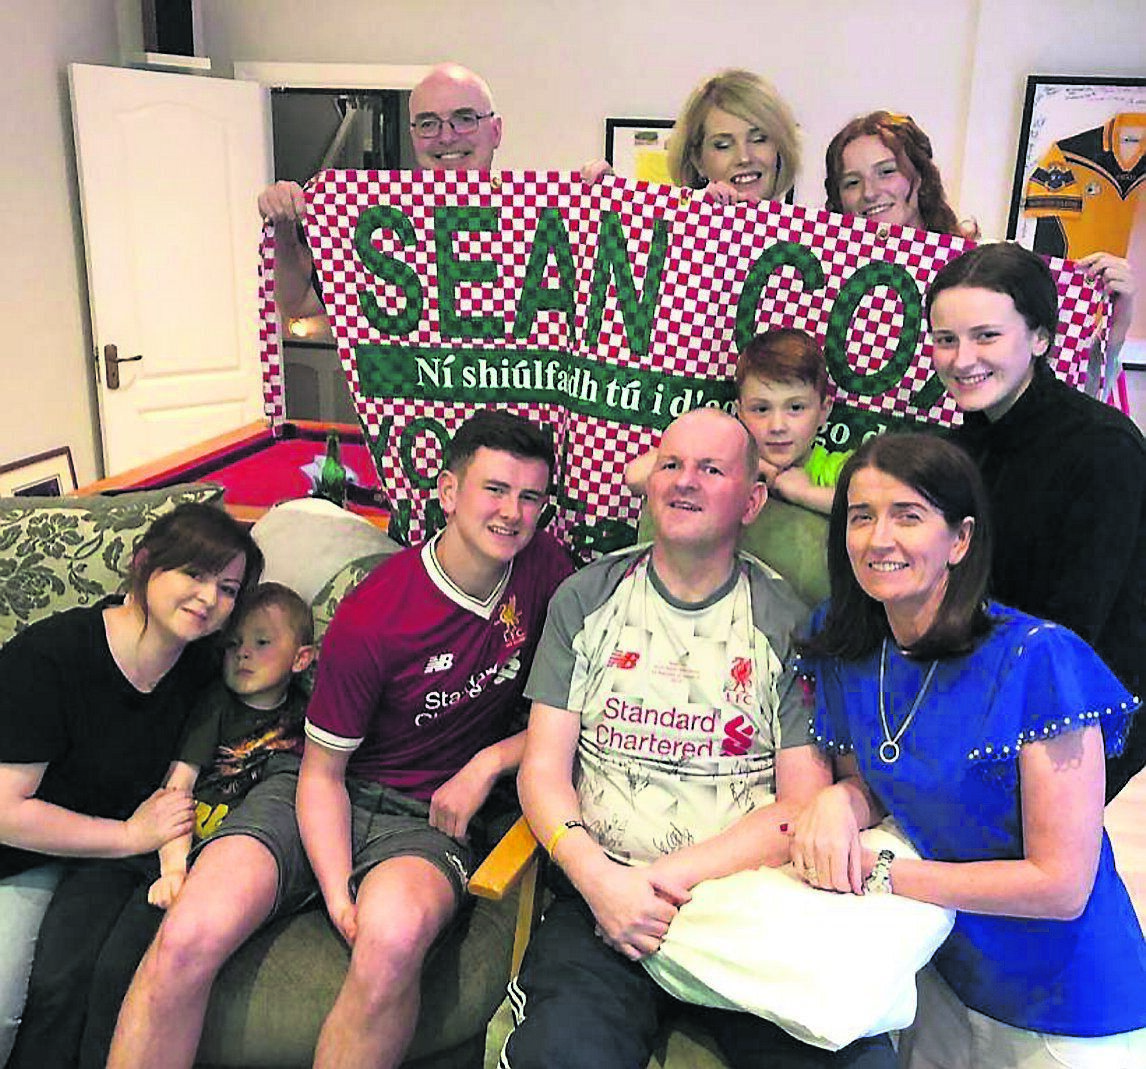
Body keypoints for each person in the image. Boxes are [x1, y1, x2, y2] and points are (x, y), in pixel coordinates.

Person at [107, 409, 572, 1069]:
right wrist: (335, 891)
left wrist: (489, 760)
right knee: (187, 933)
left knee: (393, 935)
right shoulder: (376, 612)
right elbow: (323, 776)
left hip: (425, 816)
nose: (512, 513)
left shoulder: (544, 568)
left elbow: (585, 697)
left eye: (530, 497)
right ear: (447, 492)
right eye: (494, 489)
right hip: (316, 787)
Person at [503, 407, 895, 1068]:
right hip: (600, 901)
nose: (683, 481)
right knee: (559, 1054)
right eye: (671, 464)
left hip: (744, 905)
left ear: (751, 501)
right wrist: (598, 878)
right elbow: (543, 769)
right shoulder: (585, 599)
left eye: (710, 469)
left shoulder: (786, 623)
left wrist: (653, 884)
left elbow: (799, 804)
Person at [793, 432, 1146, 1068]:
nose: (879, 539)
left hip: (1067, 1004)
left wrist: (880, 875)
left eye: (908, 515)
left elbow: (1061, 883)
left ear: (960, 539)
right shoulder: (843, 644)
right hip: (938, 976)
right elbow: (885, 780)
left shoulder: (1039, 659)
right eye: (861, 516)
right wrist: (841, 801)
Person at [0, 503, 261, 1066]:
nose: (209, 598)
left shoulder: (200, 669)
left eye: (228, 588)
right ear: (144, 565)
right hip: (15, 854)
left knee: (92, 977)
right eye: (193, 574)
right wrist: (127, 835)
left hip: (102, 863)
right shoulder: (49, 658)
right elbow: (5, 812)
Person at [924, 241, 1146, 799]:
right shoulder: (957, 447)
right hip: (990, 700)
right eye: (946, 339)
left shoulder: (1103, 447)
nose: (962, 358)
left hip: (1077, 725)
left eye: (987, 336)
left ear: (1041, 338)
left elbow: (1078, 633)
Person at [69, 582, 316, 1069]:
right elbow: (177, 788)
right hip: (170, 852)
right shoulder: (216, 706)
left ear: (302, 659)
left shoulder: (306, 713)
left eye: (262, 643)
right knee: (117, 964)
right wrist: (173, 869)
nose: (243, 654)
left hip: (236, 864)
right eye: (233, 644)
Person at [824, 111, 1137, 372]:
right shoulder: (826, 278)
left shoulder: (986, 269)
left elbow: (1058, 380)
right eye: (852, 182)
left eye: (887, 172)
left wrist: (1115, 328)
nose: (869, 192)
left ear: (919, 177)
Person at [260, 62, 503, 323]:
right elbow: (296, 302)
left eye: (465, 119)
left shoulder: (534, 221)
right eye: (428, 123)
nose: (446, 137)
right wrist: (283, 228)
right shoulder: (378, 222)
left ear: (496, 131)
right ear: (414, 136)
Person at [629, 329, 846, 606]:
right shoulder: (726, 461)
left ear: (824, 411)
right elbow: (635, 476)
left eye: (795, 408)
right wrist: (752, 464)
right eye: (761, 409)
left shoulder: (835, 469)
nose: (778, 426)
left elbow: (872, 505)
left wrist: (803, 493)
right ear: (740, 411)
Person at [583, 68, 800, 207]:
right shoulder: (669, 236)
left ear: (779, 148)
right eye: (723, 145)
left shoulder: (815, 248)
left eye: (759, 139)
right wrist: (607, 205)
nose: (744, 157)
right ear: (698, 160)